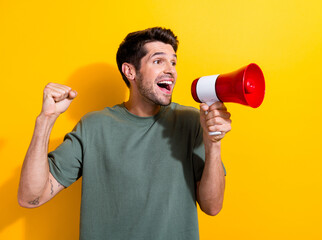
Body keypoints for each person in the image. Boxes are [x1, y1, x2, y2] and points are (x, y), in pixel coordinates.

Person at [18, 27, 232, 240]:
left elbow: (212, 206)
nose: (171, 70)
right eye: (158, 61)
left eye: (173, 62)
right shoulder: (93, 127)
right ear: (130, 72)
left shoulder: (191, 121)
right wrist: (45, 120)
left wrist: (213, 142)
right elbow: (30, 197)